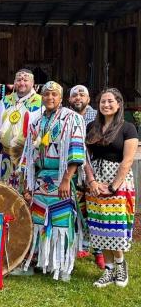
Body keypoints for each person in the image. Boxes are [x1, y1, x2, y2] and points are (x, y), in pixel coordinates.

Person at [20, 81, 86, 281]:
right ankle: (43, 262)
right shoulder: (37, 122)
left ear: (61, 98)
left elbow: (76, 149)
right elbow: (30, 156)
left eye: (54, 95)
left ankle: (63, 265)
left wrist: (67, 179)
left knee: (62, 222)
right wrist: (29, 184)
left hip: (61, 178)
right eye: (46, 94)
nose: (50, 98)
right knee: (39, 221)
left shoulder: (71, 119)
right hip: (42, 179)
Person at [85, 88, 138, 288]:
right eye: (103, 102)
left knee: (115, 225)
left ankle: (120, 265)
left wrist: (113, 187)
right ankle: (108, 270)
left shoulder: (128, 128)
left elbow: (128, 160)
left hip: (117, 180)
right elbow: (86, 158)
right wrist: (91, 181)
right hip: (95, 181)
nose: (106, 105)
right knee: (100, 225)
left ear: (118, 104)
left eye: (110, 101)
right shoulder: (92, 126)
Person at [68, 85, 105, 269]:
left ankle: (99, 251)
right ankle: (79, 245)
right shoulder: (66, 116)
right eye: (74, 95)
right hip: (73, 168)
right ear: (69, 100)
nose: (78, 97)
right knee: (77, 209)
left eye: (82, 94)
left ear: (89, 99)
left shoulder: (98, 117)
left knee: (95, 210)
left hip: (92, 168)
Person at [0, 69, 42, 194]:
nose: (22, 83)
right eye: (19, 80)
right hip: (6, 156)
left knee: (26, 193)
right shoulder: (5, 101)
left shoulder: (40, 102)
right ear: (14, 82)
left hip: (28, 157)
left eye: (26, 80)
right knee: (5, 193)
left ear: (33, 82)